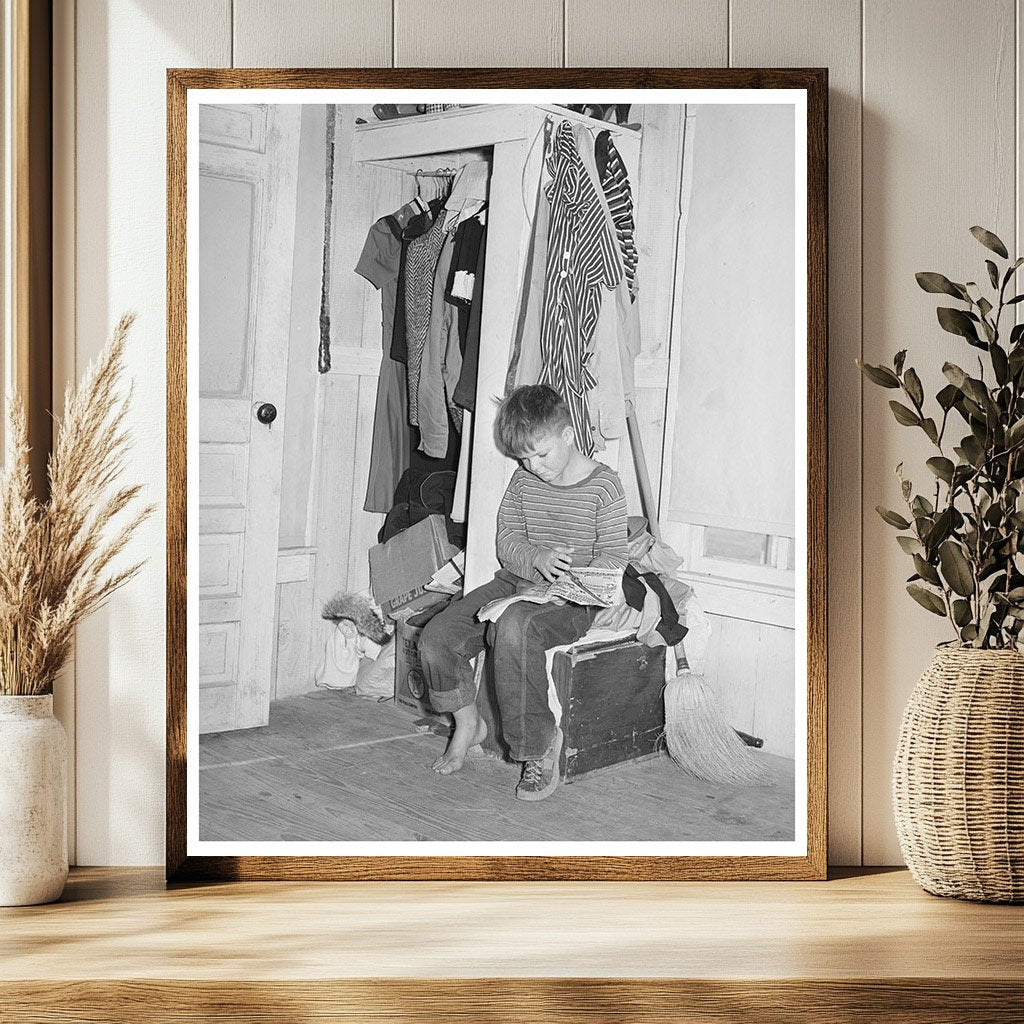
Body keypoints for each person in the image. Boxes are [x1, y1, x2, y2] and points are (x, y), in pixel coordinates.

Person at [418, 384, 628, 800]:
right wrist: (537, 558)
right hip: (515, 584)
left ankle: (538, 748)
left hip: (572, 598)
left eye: (542, 454)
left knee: (514, 627)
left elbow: (613, 557)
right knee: (436, 638)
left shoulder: (605, 486)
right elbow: (507, 540)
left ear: (567, 435)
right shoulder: (523, 480)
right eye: (523, 458)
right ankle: (468, 723)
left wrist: (569, 581)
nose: (534, 466)